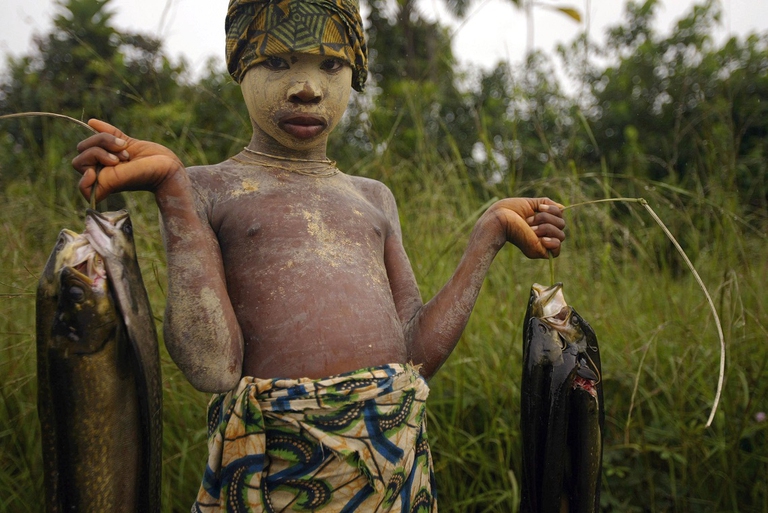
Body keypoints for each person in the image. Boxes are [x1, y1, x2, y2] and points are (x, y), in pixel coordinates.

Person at [72, 0, 565, 511]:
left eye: (330, 65)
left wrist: (488, 233)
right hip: (275, 471)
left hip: (393, 465)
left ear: (354, 73)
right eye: (278, 62)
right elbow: (212, 368)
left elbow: (414, 356)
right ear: (240, 66)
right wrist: (172, 190)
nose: (307, 88)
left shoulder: (374, 198)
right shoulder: (208, 188)